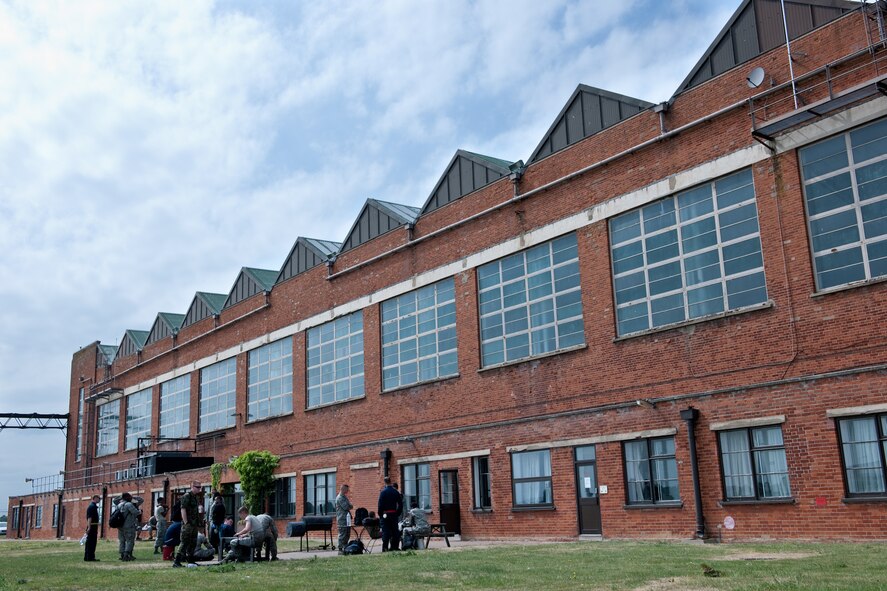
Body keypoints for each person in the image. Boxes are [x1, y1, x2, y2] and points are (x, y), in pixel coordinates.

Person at [173, 481, 201, 568]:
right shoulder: (187, 496)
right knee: (184, 542)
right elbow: (183, 509)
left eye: (200, 487)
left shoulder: (196, 497)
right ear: (192, 486)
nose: (199, 489)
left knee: (193, 542)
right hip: (188, 524)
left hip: (194, 524)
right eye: (197, 487)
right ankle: (177, 561)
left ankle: (190, 560)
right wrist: (186, 522)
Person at [113, 492, 142, 561]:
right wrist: (140, 511)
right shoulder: (129, 504)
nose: (131, 498)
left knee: (122, 541)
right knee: (130, 540)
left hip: (120, 525)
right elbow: (136, 512)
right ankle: (127, 554)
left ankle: (122, 554)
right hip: (129, 525)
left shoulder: (119, 505)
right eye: (129, 497)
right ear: (127, 497)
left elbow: (115, 501)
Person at [377, 477, 403, 552]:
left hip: (385, 514)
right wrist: (397, 513)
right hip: (394, 514)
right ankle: (394, 547)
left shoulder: (383, 492)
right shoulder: (395, 492)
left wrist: (380, 514)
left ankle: (385, 548)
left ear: (384, 482)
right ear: (390, 481)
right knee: (395, 531)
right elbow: (400, 504)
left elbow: (380, 505)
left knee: (386, 531)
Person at [335, 484, 353, 555]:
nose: (348, 491)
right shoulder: (340, 498)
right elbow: (346, 507)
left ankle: (345, 548)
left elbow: (350, 506)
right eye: (347, 489)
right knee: (342, 534)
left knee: (347, 534)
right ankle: (340, 549)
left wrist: (350, 505)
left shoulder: (344, 497)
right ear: (343, 489)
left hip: (347, 519)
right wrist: (349, 505)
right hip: (342, 519)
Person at [83, 494, 101, 562]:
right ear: (95, 498)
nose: (99, 500)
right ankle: (89, 557)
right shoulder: (92, 507)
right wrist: (89, 527)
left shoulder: (93, 507)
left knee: (91, 542)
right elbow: (89, 518)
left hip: (93, 526)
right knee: (91, 542)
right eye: (99, 499)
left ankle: (89, 557)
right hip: (92, 526)